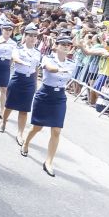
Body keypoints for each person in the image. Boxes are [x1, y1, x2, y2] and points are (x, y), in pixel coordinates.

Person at [21, 35, 75, 177]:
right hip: (45, 94)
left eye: (68, 44)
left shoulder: (71, 63)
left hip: (59, 97)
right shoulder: (47, 58)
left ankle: (49, 162)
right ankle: (26, 142)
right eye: (62, 44)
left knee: (56, 130)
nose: (65, 46)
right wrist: (60, 70)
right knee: (37, 127)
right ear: (56, 45)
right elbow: (49, 69)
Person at [0, 24, 42, 142]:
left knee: (24, 110)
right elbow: (15, 58)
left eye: (35, 36)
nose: (33, 38)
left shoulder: (37, 52)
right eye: (30, 36)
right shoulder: (18, 48)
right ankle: (3, 121)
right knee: (9, 105)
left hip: (29, 81)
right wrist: (24, 63)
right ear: (25, 36)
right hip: (18, 78)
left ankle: (20, 134)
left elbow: (37, 68)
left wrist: (35, 83)